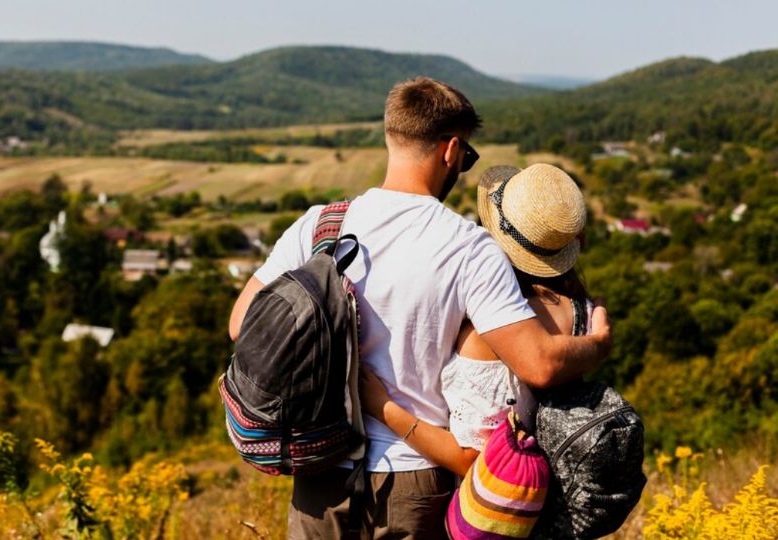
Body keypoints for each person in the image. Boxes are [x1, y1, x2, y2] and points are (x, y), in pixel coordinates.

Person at [228, 77, 612, 539]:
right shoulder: (469, 248)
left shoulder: (318, 225)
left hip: (320, 470)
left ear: (391, 137)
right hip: (414, 480)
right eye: (467, 157)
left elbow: (241, 325)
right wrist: (599, 343)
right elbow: (540, 364)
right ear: (450, 151)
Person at [360, 162, 593, 483]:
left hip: (496, 505)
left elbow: (473, 461)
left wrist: (382, 407)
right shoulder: (585, 310)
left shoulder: (490, 334)